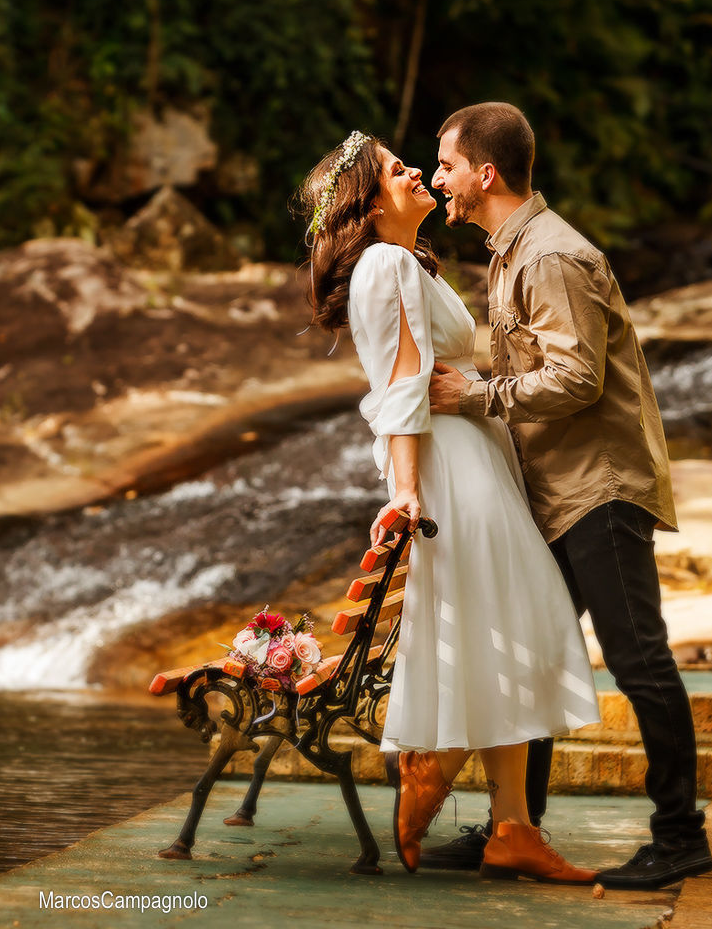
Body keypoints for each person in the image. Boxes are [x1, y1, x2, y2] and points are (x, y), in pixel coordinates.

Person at [297, 130, 600, 885]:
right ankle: (439, 780)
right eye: (399, 170)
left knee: (507, 619)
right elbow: (401, 383)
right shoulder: (387, 262)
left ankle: (511, 827)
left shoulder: (406, 262)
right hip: (445, 463)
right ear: (367, 204)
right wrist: (404, 488)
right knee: (507, 617)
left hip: (469, 450)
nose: (417, 173)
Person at [426, 102, 712, 889]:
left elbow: (577, 379)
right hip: (555, 492)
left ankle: (679, 837)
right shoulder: (510, 250)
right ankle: (513, 830)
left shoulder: (549, 256)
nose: (435, 177)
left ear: (484, 173)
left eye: (445, 164)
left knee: (637, 660)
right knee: (530, 656)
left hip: (599, 491)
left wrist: (476, 395)